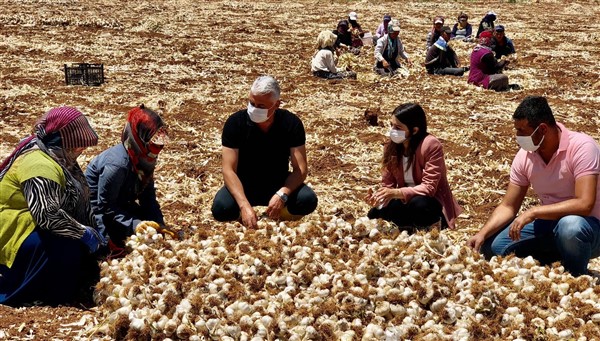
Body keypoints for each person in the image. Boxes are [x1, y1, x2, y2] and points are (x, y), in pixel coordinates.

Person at [468, 96, 600, 277]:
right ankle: (554, 267)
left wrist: (534, 212)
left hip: (588, 228)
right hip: (549, 225)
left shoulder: (582, 147)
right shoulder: (525, 156)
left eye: (522, 131)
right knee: (494, 247)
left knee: (570, 227)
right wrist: (482, 233)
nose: (518, 137)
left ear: (542, 129)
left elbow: (585, 204)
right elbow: (508, 205)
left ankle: (576, 277)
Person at [0, 106, 105, 306]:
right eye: (78, 145)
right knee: (64, 247)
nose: (82, 150)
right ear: (64, 142)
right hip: (12, 229)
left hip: (30, 223)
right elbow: (47, 215)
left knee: (78, 247)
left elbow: (81, 201)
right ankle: (34, 292)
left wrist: (98, 238)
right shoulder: (40, 165)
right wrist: (83, 233)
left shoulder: (59, 158)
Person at [211, 76, 318, 228]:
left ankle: (275, 215)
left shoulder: (291, 124)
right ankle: (247, 216)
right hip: (244, 184)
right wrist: (243, 205)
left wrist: (283, 194)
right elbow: (228, 169)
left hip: (278, 182)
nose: (254, 109)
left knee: (308, 200)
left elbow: (300, 169)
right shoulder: (235, 123)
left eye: (261, 106)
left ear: (276, 105)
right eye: (252, 103)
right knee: (221, 209)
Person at [85, 105, 173, 251]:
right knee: (107, 249)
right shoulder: (117, 165)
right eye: (154, 145)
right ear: (139, 138)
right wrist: (134, 224)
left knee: (149, 229)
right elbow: (104, 207)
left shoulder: (143, 158)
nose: (157, 151)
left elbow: (148, 196)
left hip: (120, 205)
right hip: (96, 213)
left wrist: (159, 224)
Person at [366, 103, 462, 231]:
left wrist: (396, 192)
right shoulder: (391, 146)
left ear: (414, 130)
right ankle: (408, 226)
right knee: (373, 214)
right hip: (404, 199)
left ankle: (431, 225)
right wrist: (380, 198)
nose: (393, 131)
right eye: (391, 125)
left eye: (398, 127)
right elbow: (387, 183)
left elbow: (429, 188)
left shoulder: (431, 145)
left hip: (427, 201)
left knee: (419, 205)